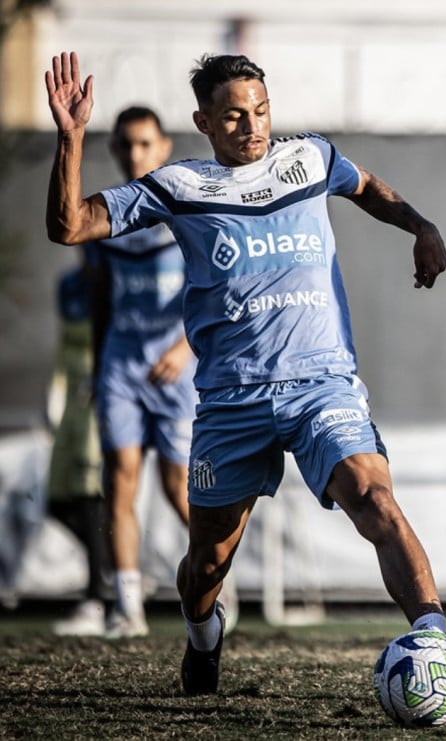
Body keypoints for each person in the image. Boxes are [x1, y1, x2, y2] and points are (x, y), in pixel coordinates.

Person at [44, 50, 446, 695]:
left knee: (375, 498)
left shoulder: (309, 160)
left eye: (261, 111)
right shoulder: (179, 187)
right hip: (232, 400)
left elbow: (366, 188)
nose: (252, 126)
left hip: (322, 386)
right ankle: (202, 634)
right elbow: (70, 225)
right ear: (204, 122)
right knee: (207, 563)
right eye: (233, 116)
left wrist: (420, 226)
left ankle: (435, 640)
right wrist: (71, 137)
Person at [88, 106, 238, 639]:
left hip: (177, 369)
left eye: (145, 144)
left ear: (164, 148)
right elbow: (100, 299)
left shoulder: (186, 208)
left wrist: (183, 347)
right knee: (120, 482)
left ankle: (217, 584)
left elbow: (219, 287)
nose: (135, 154)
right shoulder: (106, 215)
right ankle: (126, 605)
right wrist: (96, 366)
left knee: (180, 487)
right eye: (126, 145)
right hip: (120, 367)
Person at [47, 244, 111, 636]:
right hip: (70, 396)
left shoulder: (110, 285)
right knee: (56, 498)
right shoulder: (69, 284)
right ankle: (108, 560)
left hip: (98, 395)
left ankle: (97, 594)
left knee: (90, 492)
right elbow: (64, 344)